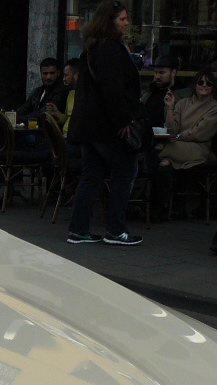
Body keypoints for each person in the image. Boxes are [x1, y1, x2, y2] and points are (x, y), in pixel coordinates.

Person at [66, 0, 144, 246]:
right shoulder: (111, 48)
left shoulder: (91, 47)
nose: (126, 22)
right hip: (106, 126)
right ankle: (115, 230)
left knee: (91, 176)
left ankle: (78, 230)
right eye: (122, 19)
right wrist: (123, 120)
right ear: (110, 22)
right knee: (125, 172)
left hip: (88, 126)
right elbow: (113, 89)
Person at [151, 68, 217, 218]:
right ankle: (162, 206)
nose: (204, 85)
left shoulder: (216, 108)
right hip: (178, 145)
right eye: (200, 82)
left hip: (198, 148)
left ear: (213, 87)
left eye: (208, 83)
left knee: (155, 152)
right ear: (195, 85)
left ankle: (156, 205)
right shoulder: (183, 103)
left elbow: (200, 133)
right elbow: (172, 129)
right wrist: (170, 108)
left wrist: (177, 136)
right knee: (164, 163)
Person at [141, 59, 178, 129]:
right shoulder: (148, 93)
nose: (157, 76)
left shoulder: (181, 95)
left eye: (162, 73)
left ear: (173, 73)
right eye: (155, 72)